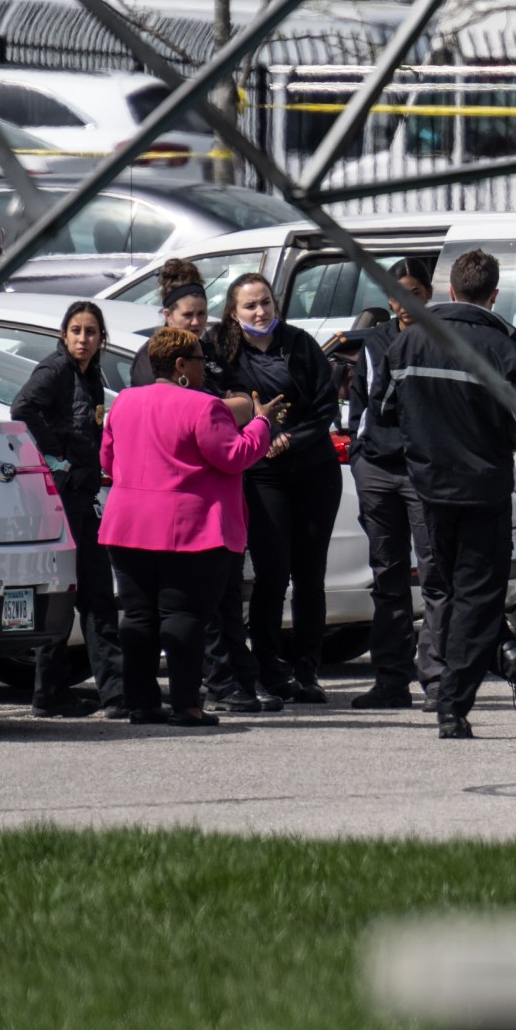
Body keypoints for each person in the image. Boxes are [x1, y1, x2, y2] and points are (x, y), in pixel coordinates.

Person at [378, 248, 516, 739]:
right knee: (476, 597)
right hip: (483, 489)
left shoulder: (407, 345)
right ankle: (457, 700)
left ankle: (496, 672)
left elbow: (386, 412)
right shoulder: (503, 352)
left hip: (429, 490)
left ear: (450, 291)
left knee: (448, 595)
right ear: (493, 295)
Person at [100, 326, 283, 726]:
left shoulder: (124, 402)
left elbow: (108, 462)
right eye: (200, 361)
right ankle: (186, 705)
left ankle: (142, 704)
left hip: (127, 526)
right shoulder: (204, 407)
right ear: (181, 365)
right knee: (183, 617)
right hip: (188, 529)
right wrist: (261, 424)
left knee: (139, 617)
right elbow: (233, 456)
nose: (205, 368)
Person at [210, 273, 343, 704]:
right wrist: (263, 436)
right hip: (262, 473)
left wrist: (291, 438)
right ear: (234, 312)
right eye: (249, 306)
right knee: (272, 573)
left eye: (265, 302)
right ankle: (268, 667)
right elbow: (213, 409)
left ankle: (307, 670)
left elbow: (325, 406)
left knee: (311, 576)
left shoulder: (300, 343)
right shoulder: (222, 350)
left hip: (314, 469)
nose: (260, 311)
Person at [11, 300, 125, 719]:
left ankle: (112, 693)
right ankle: (51, 692)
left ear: (100, 339)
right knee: (67, 591)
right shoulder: (55, 370)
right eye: (75, 331)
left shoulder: (90, 375)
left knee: (95, 593)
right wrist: (57, 454)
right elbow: (22, 408)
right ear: (64, 335)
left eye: (91, 332)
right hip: (61, 496)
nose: (83, 339)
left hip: (82, 494)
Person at [346, 272, 434, 711]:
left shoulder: (440, 337)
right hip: (377, 468)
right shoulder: (375, 341)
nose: (404, 304)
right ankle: (391, 680)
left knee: (435, 575)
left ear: (429, 295)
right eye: (397, 296)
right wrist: (361, 455)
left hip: (423, 472)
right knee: (388, 576)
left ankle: (438, 680)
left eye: (413, 295)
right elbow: (358, 406)